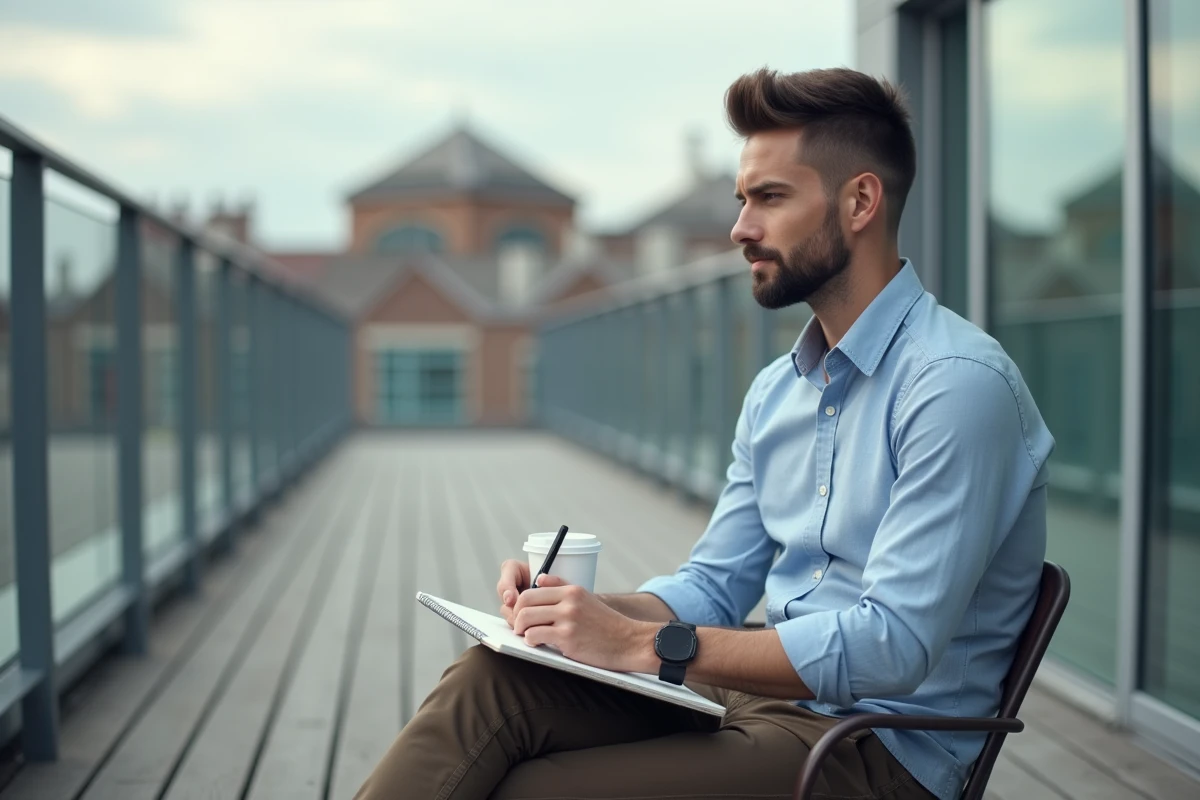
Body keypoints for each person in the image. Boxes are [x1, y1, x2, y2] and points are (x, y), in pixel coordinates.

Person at [354, 66, 1053, 800]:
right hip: (749, 699)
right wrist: (580, 612)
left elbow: (892, 648)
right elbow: (715, 585)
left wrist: (634, 645)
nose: (740, 228)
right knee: (491, 678)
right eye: (742, 199)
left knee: (535, 789)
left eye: (771, 198)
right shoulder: (778, 392)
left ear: (860, 201)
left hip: (874, 749)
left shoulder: (956, 386)